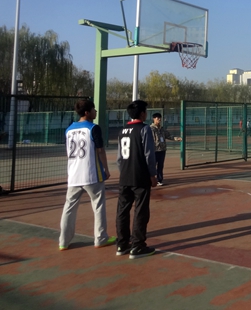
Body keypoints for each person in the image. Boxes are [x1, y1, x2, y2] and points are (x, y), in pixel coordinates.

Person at [59, 99, 115, 251]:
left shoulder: (68, 130)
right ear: (87, 112)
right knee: (98, 205)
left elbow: (68, 152)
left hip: (73, 175)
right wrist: (106, 169)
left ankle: (63, 241)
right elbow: (100, 150)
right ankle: (100, 238)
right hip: (91, 174)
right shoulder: (93, 128)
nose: (95, 112)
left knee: (69, 208)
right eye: (93, 109)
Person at [116, 100, 158, 260]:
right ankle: (138, 246)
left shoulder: (122, 130)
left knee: (122, 211)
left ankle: (122, 244)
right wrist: (152, 175)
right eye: (145, 111)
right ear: (142, 114)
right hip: (140, 176)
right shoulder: (144, 129)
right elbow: (149, 154)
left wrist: (124, 172)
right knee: (140, 211)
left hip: (124, 176)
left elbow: (119, 157)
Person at [150, 113, 182, 186]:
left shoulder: (162, 129)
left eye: (160, 118)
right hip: (154, 150)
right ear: (154, 119)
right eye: (157, 118)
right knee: (152, 166)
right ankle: (151, 180)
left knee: (160, 166)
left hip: (162, 150)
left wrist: (176, 138)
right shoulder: (150, 129)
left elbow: (168, 136)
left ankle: (159, 180)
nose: (159, 119)